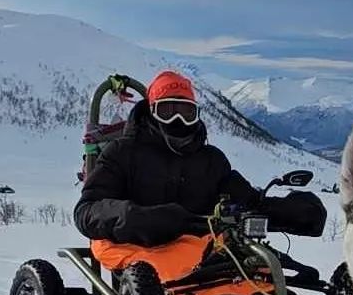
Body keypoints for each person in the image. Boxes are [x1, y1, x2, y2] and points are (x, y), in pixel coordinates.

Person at [73, 70, 323, 246]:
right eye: (168, 111)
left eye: (186, 112)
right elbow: (87, 211)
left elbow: (247, 202)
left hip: (203, 255)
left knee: (266, 275)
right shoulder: (122, 153)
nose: (177, 120)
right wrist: (137, 217)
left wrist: (296, 212)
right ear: (151, 112)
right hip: (140, 252)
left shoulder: (211, 161)